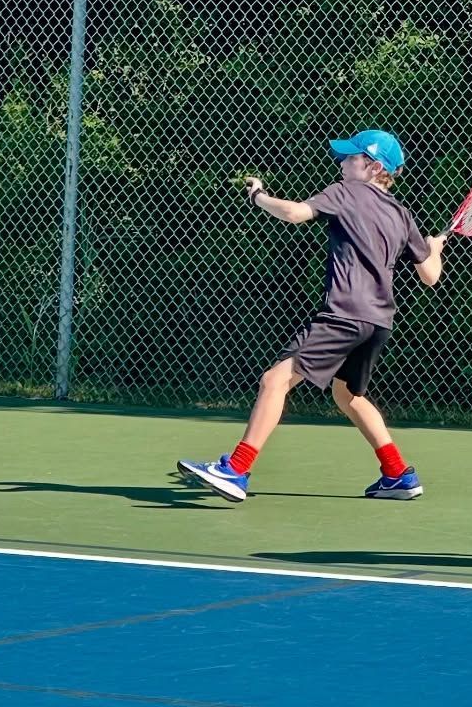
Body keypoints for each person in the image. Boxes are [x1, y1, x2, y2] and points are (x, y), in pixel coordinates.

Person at [178, 130, 445, 501]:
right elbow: (431, 275)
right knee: (349, 396)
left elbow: (294, 213)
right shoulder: (402, 215)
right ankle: (398, 474)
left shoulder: (346, 192)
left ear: (373, 167)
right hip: (378, 323)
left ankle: (235, 470)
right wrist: (434, 248)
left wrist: (258, 196)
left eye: (350, 158)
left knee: (275, 380)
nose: (342, 163)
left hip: (344, 314)